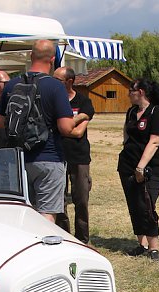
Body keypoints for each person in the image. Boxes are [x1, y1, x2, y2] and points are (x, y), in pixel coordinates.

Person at [0, 40, 74, 222]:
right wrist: (80, 118)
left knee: (24, 213)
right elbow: (65, 127)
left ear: (31, 56)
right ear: (53, 59)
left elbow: (0, 122)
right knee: (47, 214)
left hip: (18, 159)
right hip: (49, 157)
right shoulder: (55, 87)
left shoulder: (11, 85)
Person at [117, 78, 159, 262]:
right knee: (134, 205)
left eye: (130, 91)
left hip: (152, 169)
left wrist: (141, 167)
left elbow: (155, 141)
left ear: (140, 92)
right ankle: (142, 244)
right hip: (128, 166)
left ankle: (154, 247)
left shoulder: (157, 112)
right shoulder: (132, 112)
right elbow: (126, 134)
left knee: (146, 204)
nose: (128, 94)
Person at [53, 67, 95, 244]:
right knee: (59, 200)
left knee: (81, 199)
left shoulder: (84, 101)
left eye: (58, 81)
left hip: (79, 156)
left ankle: (82, 239)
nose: (53, 84)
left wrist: (62, 126)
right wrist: (75, 120)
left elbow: (78, 133)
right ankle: (65, 237)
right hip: (57, 156)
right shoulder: (53, 101)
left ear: (69, 81)